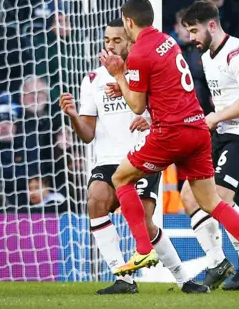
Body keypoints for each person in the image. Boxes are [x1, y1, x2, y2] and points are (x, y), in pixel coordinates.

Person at [99, 0, 239, 294]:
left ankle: (143, 249)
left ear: (128, 22)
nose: (192, 38)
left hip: (180, 133)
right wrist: (130, 87)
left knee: (120, 178)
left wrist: (119, 75)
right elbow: (167, 87)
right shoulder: (167, 42)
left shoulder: (141, 52)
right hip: (198, 129)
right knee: (210, 202)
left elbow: (136, 105)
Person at [60, 19, 208, 295]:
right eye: (107, 40)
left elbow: (169, 108)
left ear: (130, 41)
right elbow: (88, 133)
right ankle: (123, 278)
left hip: (143, 154)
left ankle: (183, 279)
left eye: (117, 40)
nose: (111, 45)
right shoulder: (92, 80)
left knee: (144, 220)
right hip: (107, 159)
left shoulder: (147, 69)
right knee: (95, 201)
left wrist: (150, 119)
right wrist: (72, 116)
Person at [181, 0, 239, 291]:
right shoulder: (207, 57)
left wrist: (215, 118)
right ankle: (217, 261)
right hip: (221, 133)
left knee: (219, 195)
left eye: (194, 31)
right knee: (189, 196)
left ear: (211, 25)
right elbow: (219, 100)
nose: (191, 38)